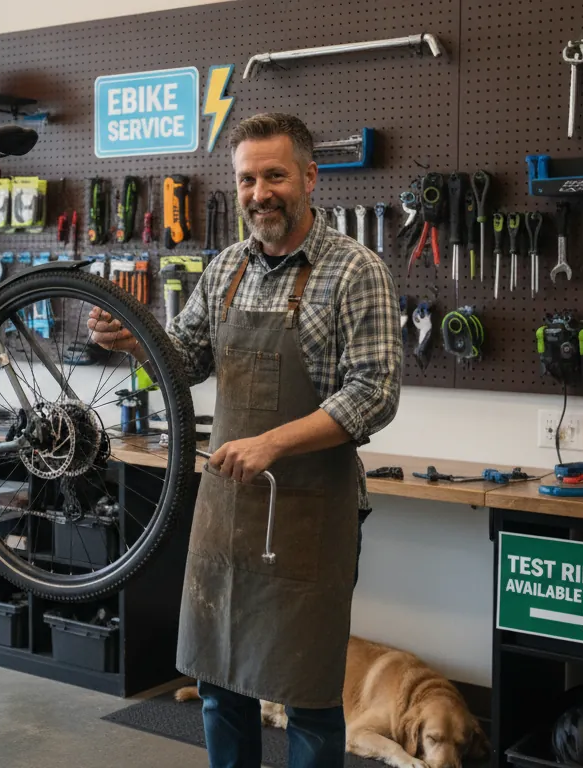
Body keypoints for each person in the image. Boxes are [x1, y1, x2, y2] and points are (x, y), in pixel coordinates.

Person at [87, 113, 402, 768]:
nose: (260, 193)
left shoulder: (355, 270)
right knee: (218, 682)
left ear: (310, 178)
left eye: (275, 176)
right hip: (228, 511)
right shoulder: (227, 267)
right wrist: (134, 338)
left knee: (310, 693)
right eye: (247, 179)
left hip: (310, 515)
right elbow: (186, 359)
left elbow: (375, 392)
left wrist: (273, 443)